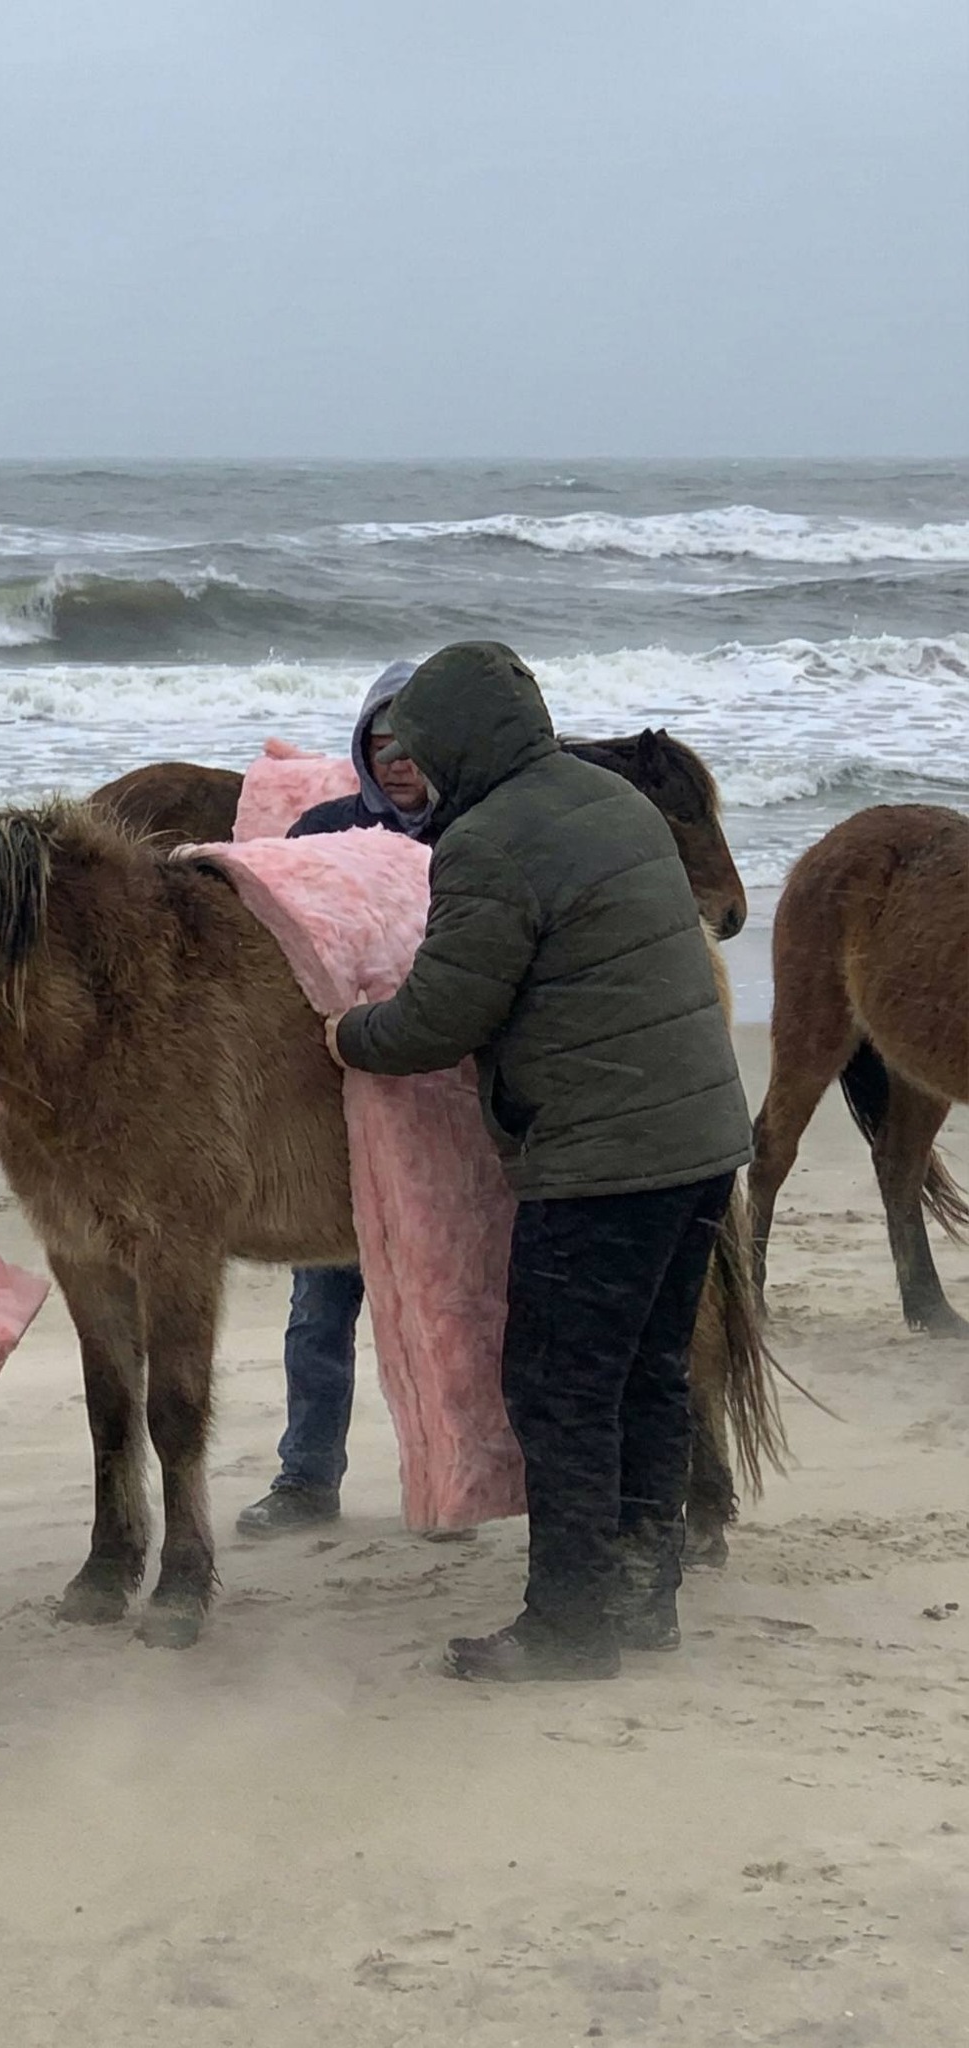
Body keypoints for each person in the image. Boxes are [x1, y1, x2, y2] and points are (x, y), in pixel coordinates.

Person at [326, 641, 752, 1682]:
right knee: (646, 1371)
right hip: (697, 1143)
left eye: (419, 750)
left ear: (460, 742)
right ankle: (642, 1592)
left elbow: (441, 1016)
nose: (412, 770)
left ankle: (568, 1623)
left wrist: (349, 1033)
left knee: (560, 1386)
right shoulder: (611, 804)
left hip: (601, 1157)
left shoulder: (487, 841)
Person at [237, 660, 441, 1538]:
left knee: (437, 1310)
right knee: (319, 1306)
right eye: (378, 742)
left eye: (413, 743)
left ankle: (447, 1479)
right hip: (330, 1114)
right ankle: (305, 1481)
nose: (395, 760)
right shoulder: (321, 829)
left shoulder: (471, 833)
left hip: (438, 1112)